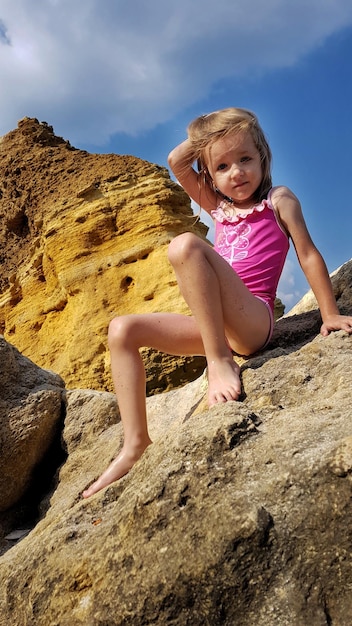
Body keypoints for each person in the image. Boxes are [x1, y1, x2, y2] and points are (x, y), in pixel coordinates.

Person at [82, 107, 352, 499]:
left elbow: (307, 254)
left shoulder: (278, 201)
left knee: (185, 245)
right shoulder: (217, 207)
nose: (236, 172)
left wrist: (329, 314)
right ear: (209, 175)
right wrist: (212, 133)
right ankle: (135, 443)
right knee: (121, 330)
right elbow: (177, 160)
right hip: (217, 328)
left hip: (253, 321)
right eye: (222, 166)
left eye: (245, 158)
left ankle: (218, 363)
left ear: (263, 156)